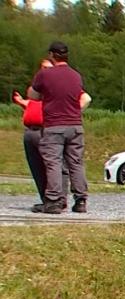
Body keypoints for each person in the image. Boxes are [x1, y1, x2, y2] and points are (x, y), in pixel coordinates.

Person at [11, 58, 82, 210]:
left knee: (55, 165)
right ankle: (47, 198)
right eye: (42, 68)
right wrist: (21, 102)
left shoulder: (59, 84)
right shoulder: (41, 83)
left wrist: (73, 112)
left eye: (47, 67)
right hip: (32, 129)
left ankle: (57, 200)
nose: (44, 70)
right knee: (38, 168)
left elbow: (83, 97)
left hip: (49, 129)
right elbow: (33, 101)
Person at [27, 42, 89, 214]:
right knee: (76, 163)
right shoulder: (76, 76)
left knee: (53, 162)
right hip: (76, 126)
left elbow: (32, 95)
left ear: (52, 55)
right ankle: (81, 200)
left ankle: (54, 201)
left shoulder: (45, 75)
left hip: (54, 126)